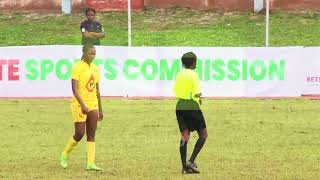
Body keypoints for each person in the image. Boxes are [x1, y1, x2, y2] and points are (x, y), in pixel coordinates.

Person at [60, 43, 103, 171]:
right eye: (90, 53)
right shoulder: (77, 67)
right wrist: (82, 104)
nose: (93, 56)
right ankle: (65, 154)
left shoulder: (96, 68)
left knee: (92, 132)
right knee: (79, 133)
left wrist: (100, 109)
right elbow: (74, 88)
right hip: (79, 104)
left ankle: (90, 163)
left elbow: (97, 90)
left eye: (94, 53)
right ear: (84, 53)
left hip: (93, 103)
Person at [173, 52, 208, 174]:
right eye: (196, 61)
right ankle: (191, 161)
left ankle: (184, 167)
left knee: (184, 136)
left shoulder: (179, 74)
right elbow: (196, 93)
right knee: (203, 135)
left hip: (180, 106)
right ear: (193, 62)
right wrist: (199, 97)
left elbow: (176, 90)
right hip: (191, 106)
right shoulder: (193, 75)